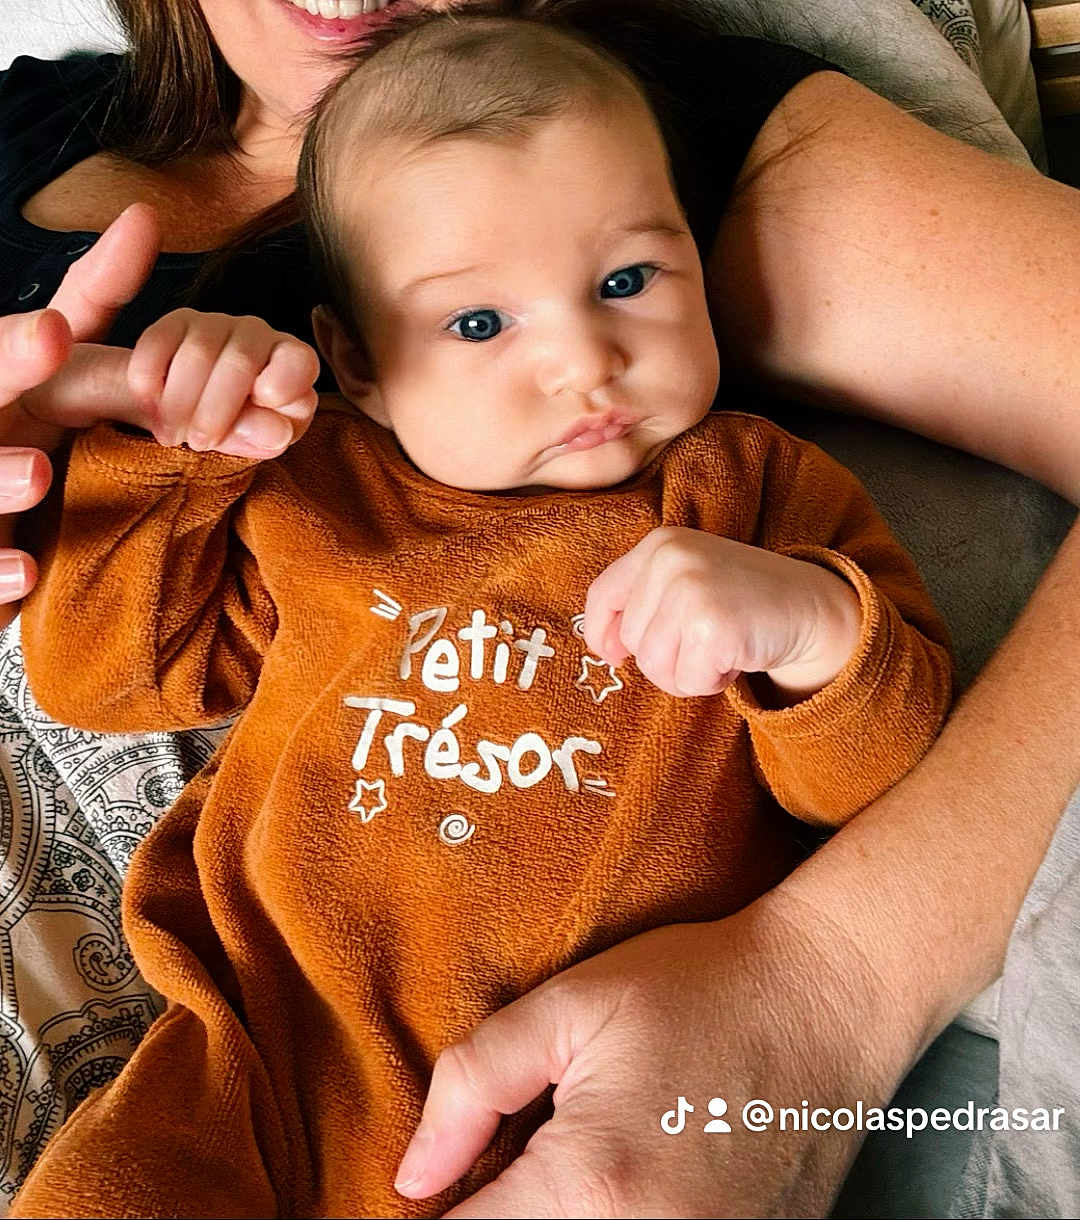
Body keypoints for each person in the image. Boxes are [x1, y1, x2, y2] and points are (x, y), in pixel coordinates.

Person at [0, 0, 1076, 1215]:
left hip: (574, 1100)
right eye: (477, 322)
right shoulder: (319, 490)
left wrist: (814, 632)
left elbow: (873, 779)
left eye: (628, 278)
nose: (584, 360)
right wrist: (162, 457)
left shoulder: (747, 487)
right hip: (243, 1071)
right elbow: (102, 675)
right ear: (356, 363)